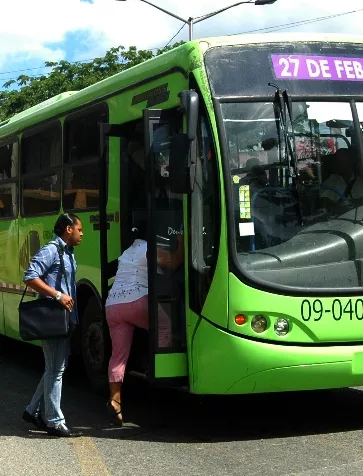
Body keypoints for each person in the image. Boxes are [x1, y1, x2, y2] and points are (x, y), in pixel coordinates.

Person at [22, 213, 83, 438]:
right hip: (52, 319)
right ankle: (54, 422)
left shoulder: (67, 252)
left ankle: (32, 410)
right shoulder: (52, 250)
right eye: (80, 229)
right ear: (68, 229)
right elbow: (30, 276)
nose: (82, 234)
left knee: (54, 369)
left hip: (64, 319)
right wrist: (58, 295)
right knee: (56, 371)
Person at [105, 225, 171, 426]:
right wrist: (183, 243)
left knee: (118, 355)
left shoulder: (127, 252)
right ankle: (157, 369)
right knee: (165, 326)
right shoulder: (150, 248)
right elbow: (173, 262)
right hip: (136, 301)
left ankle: (115, 400)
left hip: (113, 305)